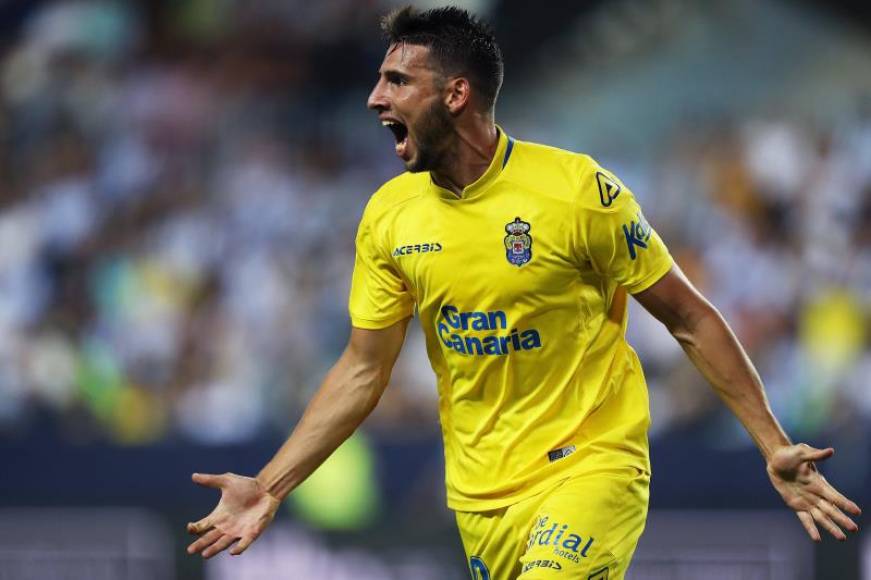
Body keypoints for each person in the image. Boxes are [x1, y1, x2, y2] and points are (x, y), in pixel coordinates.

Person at [186, 6, 861, 578]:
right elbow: (364, 368)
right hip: (480, 499)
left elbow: (689, 318)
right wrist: (269, 486)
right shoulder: (390, 217)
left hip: (591, 467)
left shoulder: (575, 192)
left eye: (397, 80)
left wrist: (771, 443)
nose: (375, 98)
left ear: (454, 95)